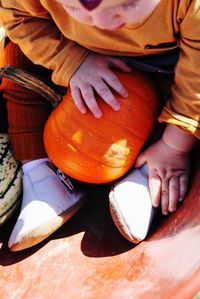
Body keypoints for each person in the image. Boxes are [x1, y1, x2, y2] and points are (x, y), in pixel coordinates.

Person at [0, 0, 199, 247]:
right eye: (74, 9)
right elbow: (19, 18)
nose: (104, 23)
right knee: (16, 59)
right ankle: (39, 174)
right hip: (71, 50)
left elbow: (197, 79)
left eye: (128, 4)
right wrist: (71, 61)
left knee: (176, 97)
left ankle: (150, 172)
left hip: (165, 64)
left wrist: (174, 146)